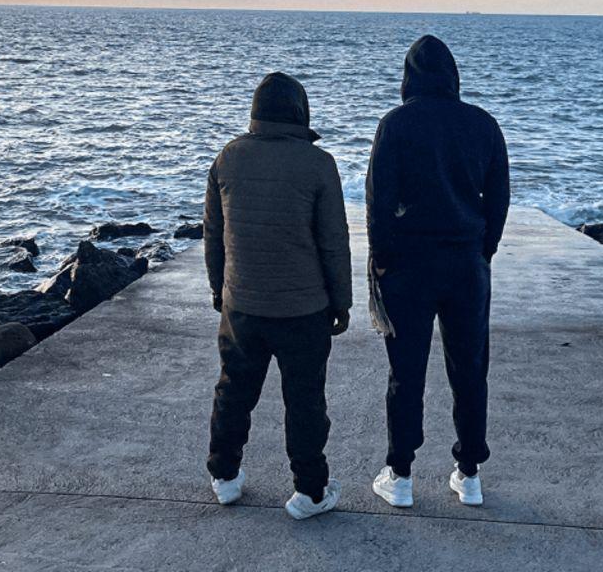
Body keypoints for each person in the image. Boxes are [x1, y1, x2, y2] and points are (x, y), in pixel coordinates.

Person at [366, 35, 510, 508]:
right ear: (453, 76)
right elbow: (499, 199)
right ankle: (469, 475)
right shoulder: (483, 125)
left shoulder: (396, 124)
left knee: (405, 373)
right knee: (470, 369)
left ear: (408, 78)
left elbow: (378, 202)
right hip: (467, 265)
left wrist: (383, 256)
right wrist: (482, 250)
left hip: (408, 266)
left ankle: (401, 475)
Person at [204, 71, 352, 520]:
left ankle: (225, 477)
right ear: (300, 112)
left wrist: (219, 289)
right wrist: (340, 302)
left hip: (242, 305)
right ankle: (309, 493)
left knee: (234, 391)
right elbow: (333, 241)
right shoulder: (318, 164)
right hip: (304, 309)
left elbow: (215, 235)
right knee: (305, 402)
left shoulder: (227, 158)